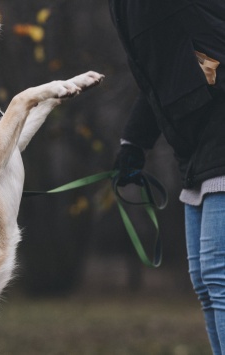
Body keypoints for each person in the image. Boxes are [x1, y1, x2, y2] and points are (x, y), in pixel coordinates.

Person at [109, 1, 225, 353]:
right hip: (194, 147)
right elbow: (158, 75)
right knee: (205, 283)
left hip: (218, 134)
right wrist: (135, 142)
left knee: (218, 275)